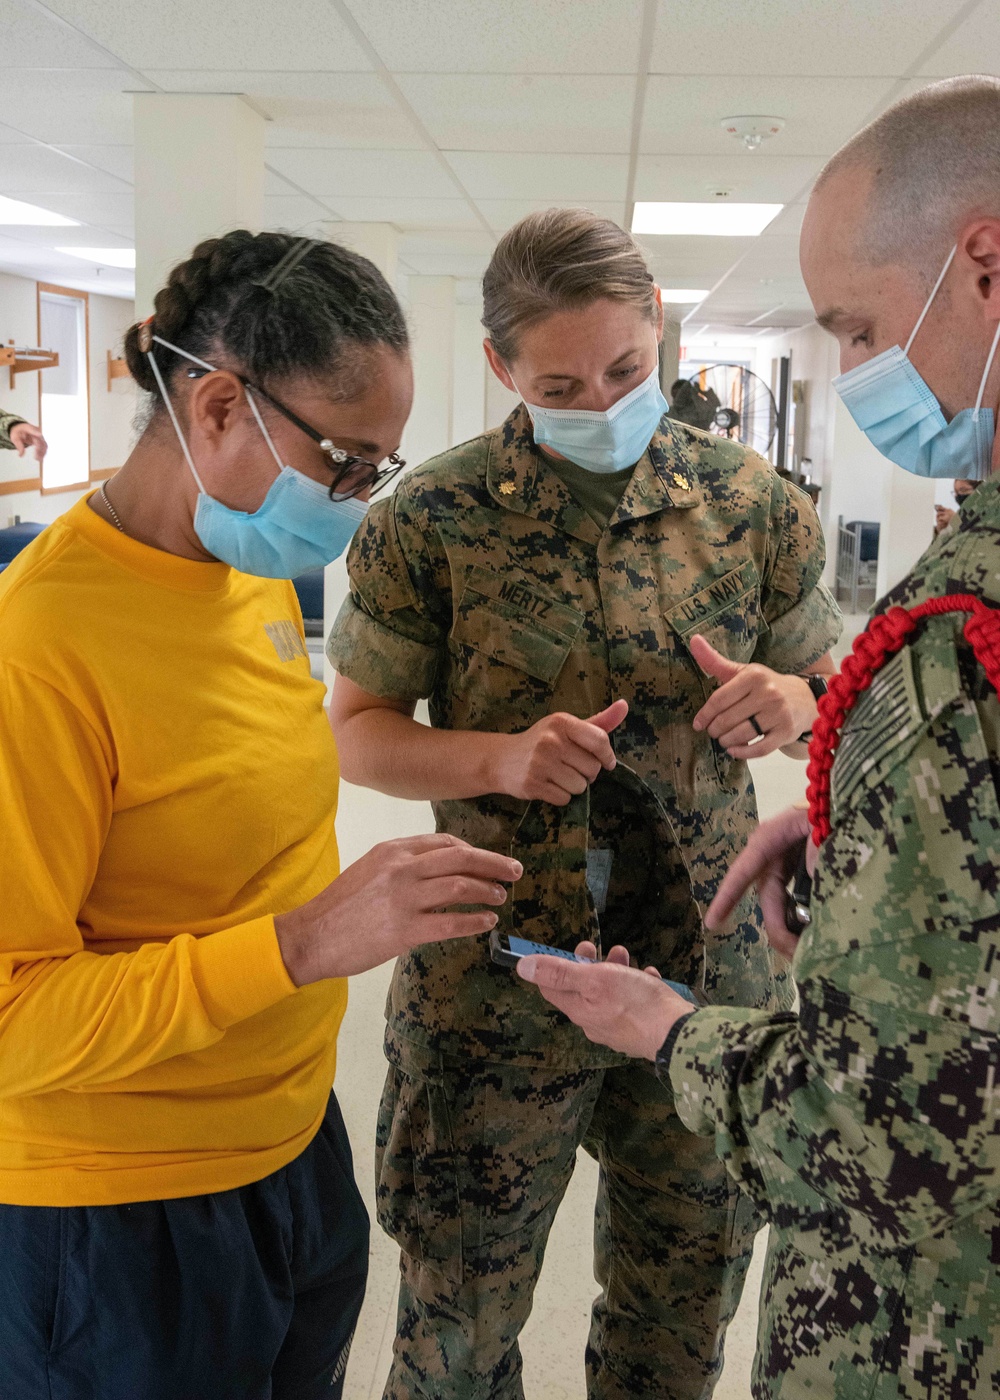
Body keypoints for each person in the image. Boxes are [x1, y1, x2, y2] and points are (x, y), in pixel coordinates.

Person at [518, 75, 1000, 1399]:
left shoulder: (965, 610)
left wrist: (672, 1032)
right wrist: (863, 828)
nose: (853, 371)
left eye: (854, 327)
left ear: (984, 267)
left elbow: (883, 1130)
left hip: (930, 1328)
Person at [326, 207, 842, 1400]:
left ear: (656, 325)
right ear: (501, 364)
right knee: (458, 1325)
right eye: (560, 379)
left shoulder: (752, 504)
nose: (603, 397)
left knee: (678, 1312)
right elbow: (358, 733)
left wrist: (790, 699)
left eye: (625, 367)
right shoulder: (433, 519)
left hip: (698, 971)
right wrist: (495, 760)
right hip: (499, 973)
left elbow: (821, 684)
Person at [0, 230, 521, 1400]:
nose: (353, 502)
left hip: (287, 1151)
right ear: (221, 404)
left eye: (375, 470)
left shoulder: (248, 584)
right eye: (343, 461)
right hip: (117, 1217)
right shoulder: (38, 647)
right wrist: (304, 943)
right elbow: (12, 1016)